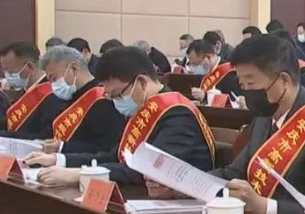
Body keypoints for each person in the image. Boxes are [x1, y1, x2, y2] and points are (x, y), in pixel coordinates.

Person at [150, 35, 305, 214]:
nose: (246, 91)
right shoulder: (266, 116)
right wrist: (180, 186)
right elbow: (234, 173)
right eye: (242, 83)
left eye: (251, 82)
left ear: (284, 81)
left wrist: (265, 206)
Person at [25, 47, 215, 186]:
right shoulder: (142, 107)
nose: (114, 101)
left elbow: (149, 169)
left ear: (141, 82)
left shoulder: (177, 115)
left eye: (117, 95)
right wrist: (59, 160)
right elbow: (115, 156)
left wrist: (78, 174)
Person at [36, 46, 125, 154]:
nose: (52, 85)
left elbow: (106, 148)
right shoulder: (68, 97)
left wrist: (63, 147)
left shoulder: (104, 99)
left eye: (54, 78)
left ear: (74, 68)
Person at [0, 41, 68, 140]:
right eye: (4, 71)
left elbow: (46, 137)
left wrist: (5, 135)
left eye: (10, 71)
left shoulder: (54, 94)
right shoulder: (24, 91)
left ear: (29, 66)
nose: (7, 76)